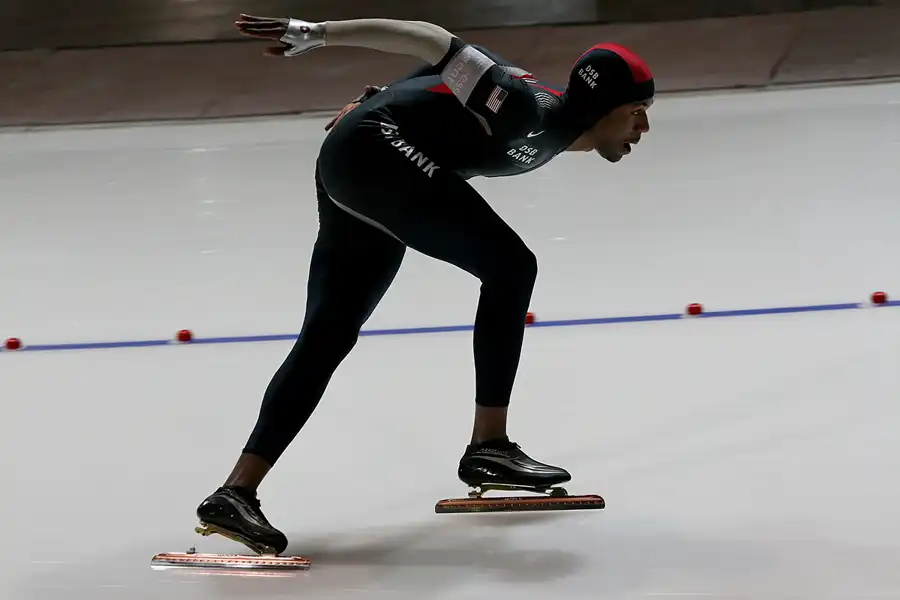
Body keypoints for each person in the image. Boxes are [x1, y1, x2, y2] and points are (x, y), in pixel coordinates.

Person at [195, 14, 654, 556]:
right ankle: (489, 446)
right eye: (637, 113)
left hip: (361, 163)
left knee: (329, 333)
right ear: (605, 109)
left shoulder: (538, 103)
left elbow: (438, 70)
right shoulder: (524, 106)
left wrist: (381, 98)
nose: (642, 130)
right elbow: (432, 40)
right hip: (376, 156)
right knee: (511, 267)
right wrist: (319, 34)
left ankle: (234, 493)